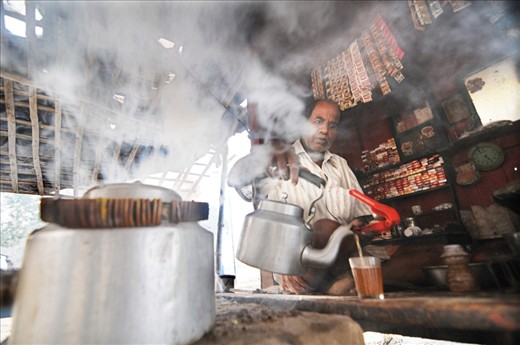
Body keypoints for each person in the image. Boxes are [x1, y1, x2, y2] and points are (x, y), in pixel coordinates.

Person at [254, 98, 374, 295]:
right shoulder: (282, 161)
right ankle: (345, 283)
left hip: (342, 260)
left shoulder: (340, 166)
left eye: (332, 125)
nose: (325, 130)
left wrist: (364, 226)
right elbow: (266, 236)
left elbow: (364, 219)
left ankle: (344, 283)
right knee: (325, 229)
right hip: (301, 269)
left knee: (424, 255)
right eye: (318, 121)